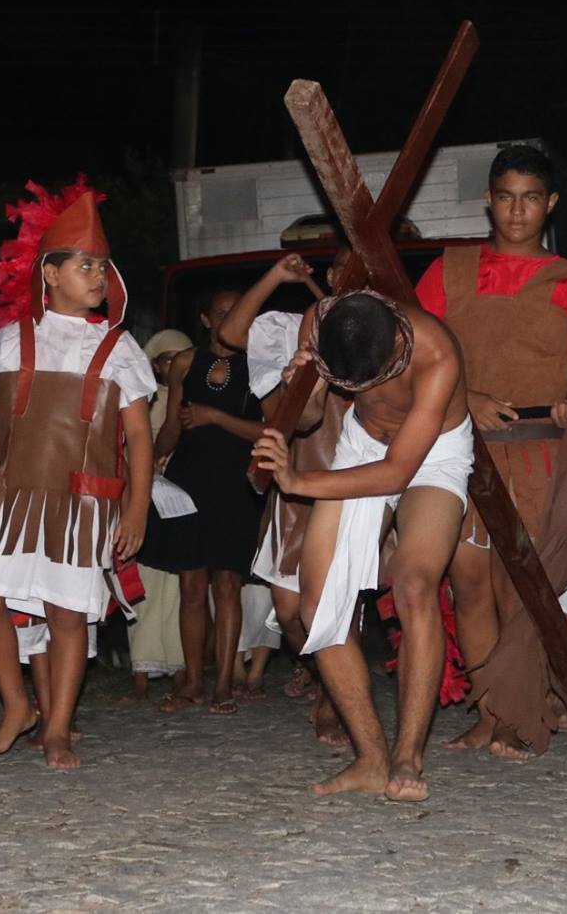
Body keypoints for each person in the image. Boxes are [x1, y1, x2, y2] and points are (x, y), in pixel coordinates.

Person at [0, 178, 156, 770]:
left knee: (66, 614)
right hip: (10, 498)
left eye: (103, 267)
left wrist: (135, 507)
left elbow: (138, 435)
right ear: (50, 274)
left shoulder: (118, 347)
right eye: (85, 265)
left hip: (81, 501)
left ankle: (58, 728)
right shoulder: (9, 343)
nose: (98, 276)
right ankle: (17, 705)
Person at [417, 143, 567, 759]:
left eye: (530, 198)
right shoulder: (447, 270)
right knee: (467, 583)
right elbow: (416, 354)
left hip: (535, 452)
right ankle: (488, 715)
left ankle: (517, 714)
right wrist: (465, 396)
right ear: (489, 200)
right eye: (505, 197)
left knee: (517, 585)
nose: (517, 211)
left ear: (549, 203)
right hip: (460, 444)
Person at [252, 288, 474, 801]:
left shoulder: (437, 352)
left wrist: (300, 481)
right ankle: (371, 758)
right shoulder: (322, 320)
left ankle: (407, 756)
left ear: (398, 339)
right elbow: (307, 420)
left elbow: (396, 472)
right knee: (317, 605)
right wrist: (299, 384)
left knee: (414, 585)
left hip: (435, 456)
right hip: (362, 444)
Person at [226, 249, 354, 747]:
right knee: (288, 609)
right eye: (347, 268)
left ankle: (334, 698)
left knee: (338, 597)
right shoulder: (290, 327)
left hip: (357, 472)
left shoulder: (388, 326)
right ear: (332, 275)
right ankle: (324, 672)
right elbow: (232, 334)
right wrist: (276, 275)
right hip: (300, 470)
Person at [152, 287, 268, 714]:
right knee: (191, 585)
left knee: (228, 584)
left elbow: (272, 431)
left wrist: (215, 416)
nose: (229, 318)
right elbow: (172, 425)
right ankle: (193, 681)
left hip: (238, 482)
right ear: (205, 319)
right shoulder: (186, 362)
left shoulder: (261, 364)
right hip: (190, 480)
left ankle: (223, 684)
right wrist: (149, 462)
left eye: (238, 312)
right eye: (221, 312)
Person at [120, 328, 194, 705]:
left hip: (181, 503)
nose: (175, 367)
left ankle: (181, 671)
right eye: (167, 360)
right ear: (153, 364)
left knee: (178, 590)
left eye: (182, 359)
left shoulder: (192, 401)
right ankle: (140, 676)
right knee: (142, 586)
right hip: (141, 499)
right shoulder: (140, 397)